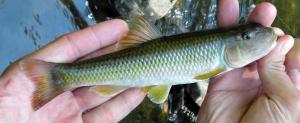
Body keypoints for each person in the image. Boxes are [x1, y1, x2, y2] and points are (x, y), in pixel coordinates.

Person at [0, 1, 299, 123]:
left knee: (154, 89)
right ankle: (62, 77)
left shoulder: (224, 60)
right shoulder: (220, 63)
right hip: (145, 59)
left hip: (148, 61)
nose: (255, 37)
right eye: (247, 36)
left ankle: (63, 77)